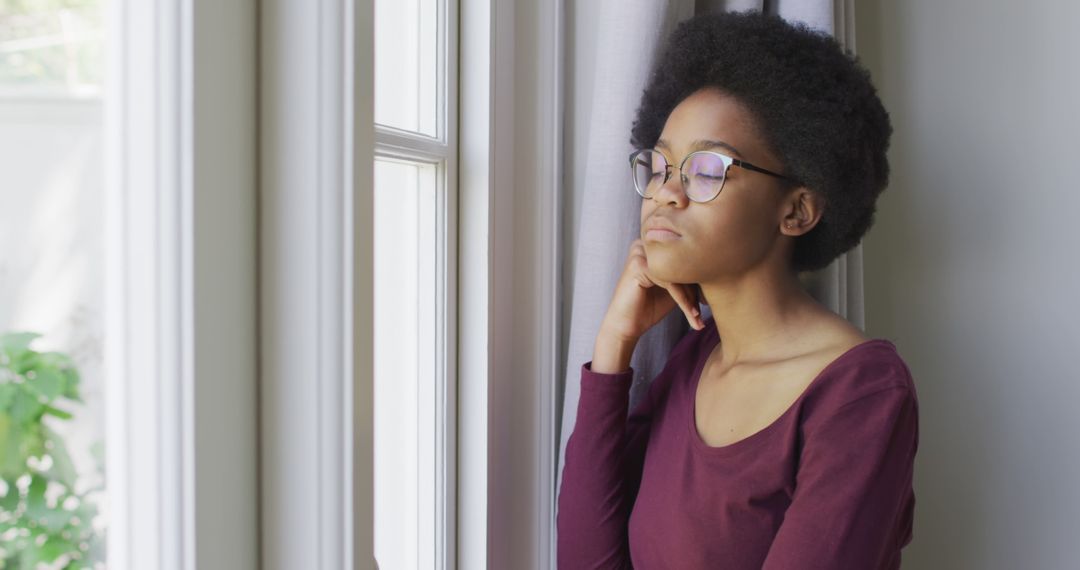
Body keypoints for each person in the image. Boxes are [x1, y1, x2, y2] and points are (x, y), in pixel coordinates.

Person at [556, 10, 919, 570]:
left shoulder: (862, 393)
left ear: (796, 210)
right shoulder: (692, 361)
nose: (664, 193)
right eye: (659, 166)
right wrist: (613, 347)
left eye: (705, 169)